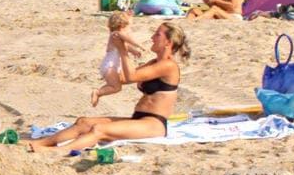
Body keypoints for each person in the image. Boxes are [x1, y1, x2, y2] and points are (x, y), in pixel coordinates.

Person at [28, 21, 188, 150]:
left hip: (154, 125)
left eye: (157, 34)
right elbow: (123, 78)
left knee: (99, 130)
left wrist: (123, 50)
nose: (152, 37)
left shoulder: (168, 66)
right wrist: (111, 60)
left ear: (168, 42)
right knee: (83, 122)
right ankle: (43, 143)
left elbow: (131, 76)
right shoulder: (153, 63)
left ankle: (58, 152)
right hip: (138, 119)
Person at [92, 11, 143, 104]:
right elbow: (126, 38)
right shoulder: (115, 34)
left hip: (115, 66)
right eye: (128, 28)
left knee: (123, 81)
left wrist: (134, 51)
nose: (129, 32)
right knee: (116, 87)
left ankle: (99, 92)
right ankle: (97, 92)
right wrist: (137, 44)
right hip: (110, 66)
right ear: (121, 26)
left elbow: (126, 46)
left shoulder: (118, 37)